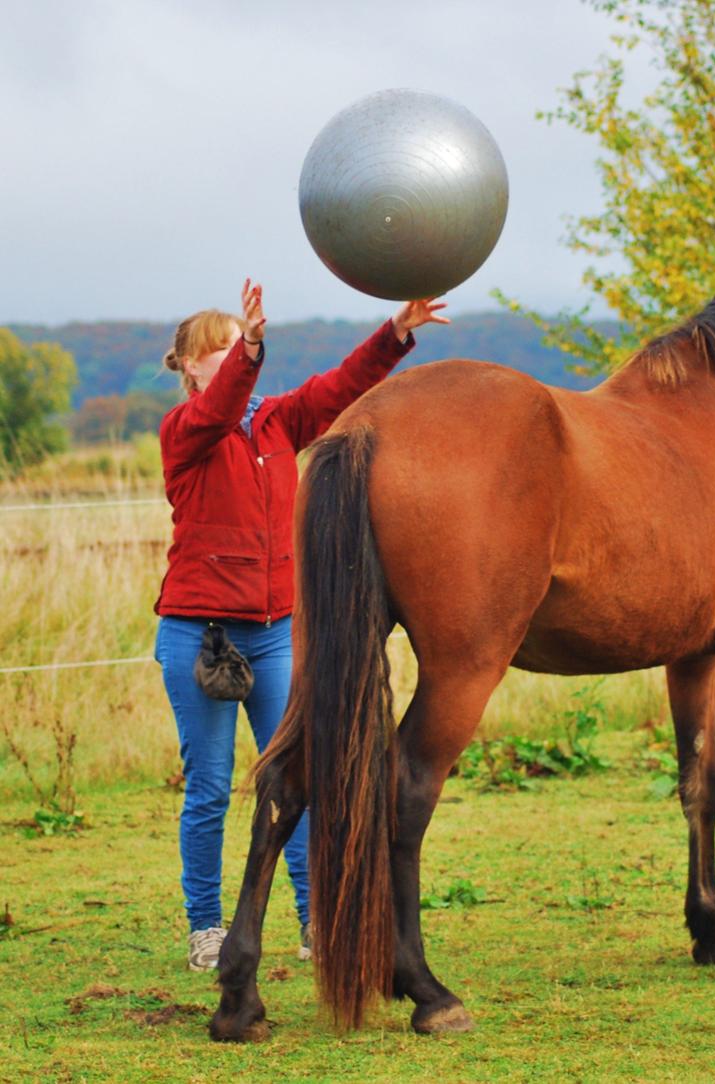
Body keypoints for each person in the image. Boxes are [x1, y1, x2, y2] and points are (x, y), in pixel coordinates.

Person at [154, 279, 448, 971]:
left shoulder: (278, 423)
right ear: (192, 367)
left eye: (236, 346)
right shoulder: (187, 432)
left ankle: (316, 919)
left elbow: (340, 386)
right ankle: (206, 928)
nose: (229, 359)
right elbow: (223, 404)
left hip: (274, 631)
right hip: (201, 635)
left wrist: (396, 333)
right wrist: (251, 347)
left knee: (295, 777)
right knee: (210, 788)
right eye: (218, 350)